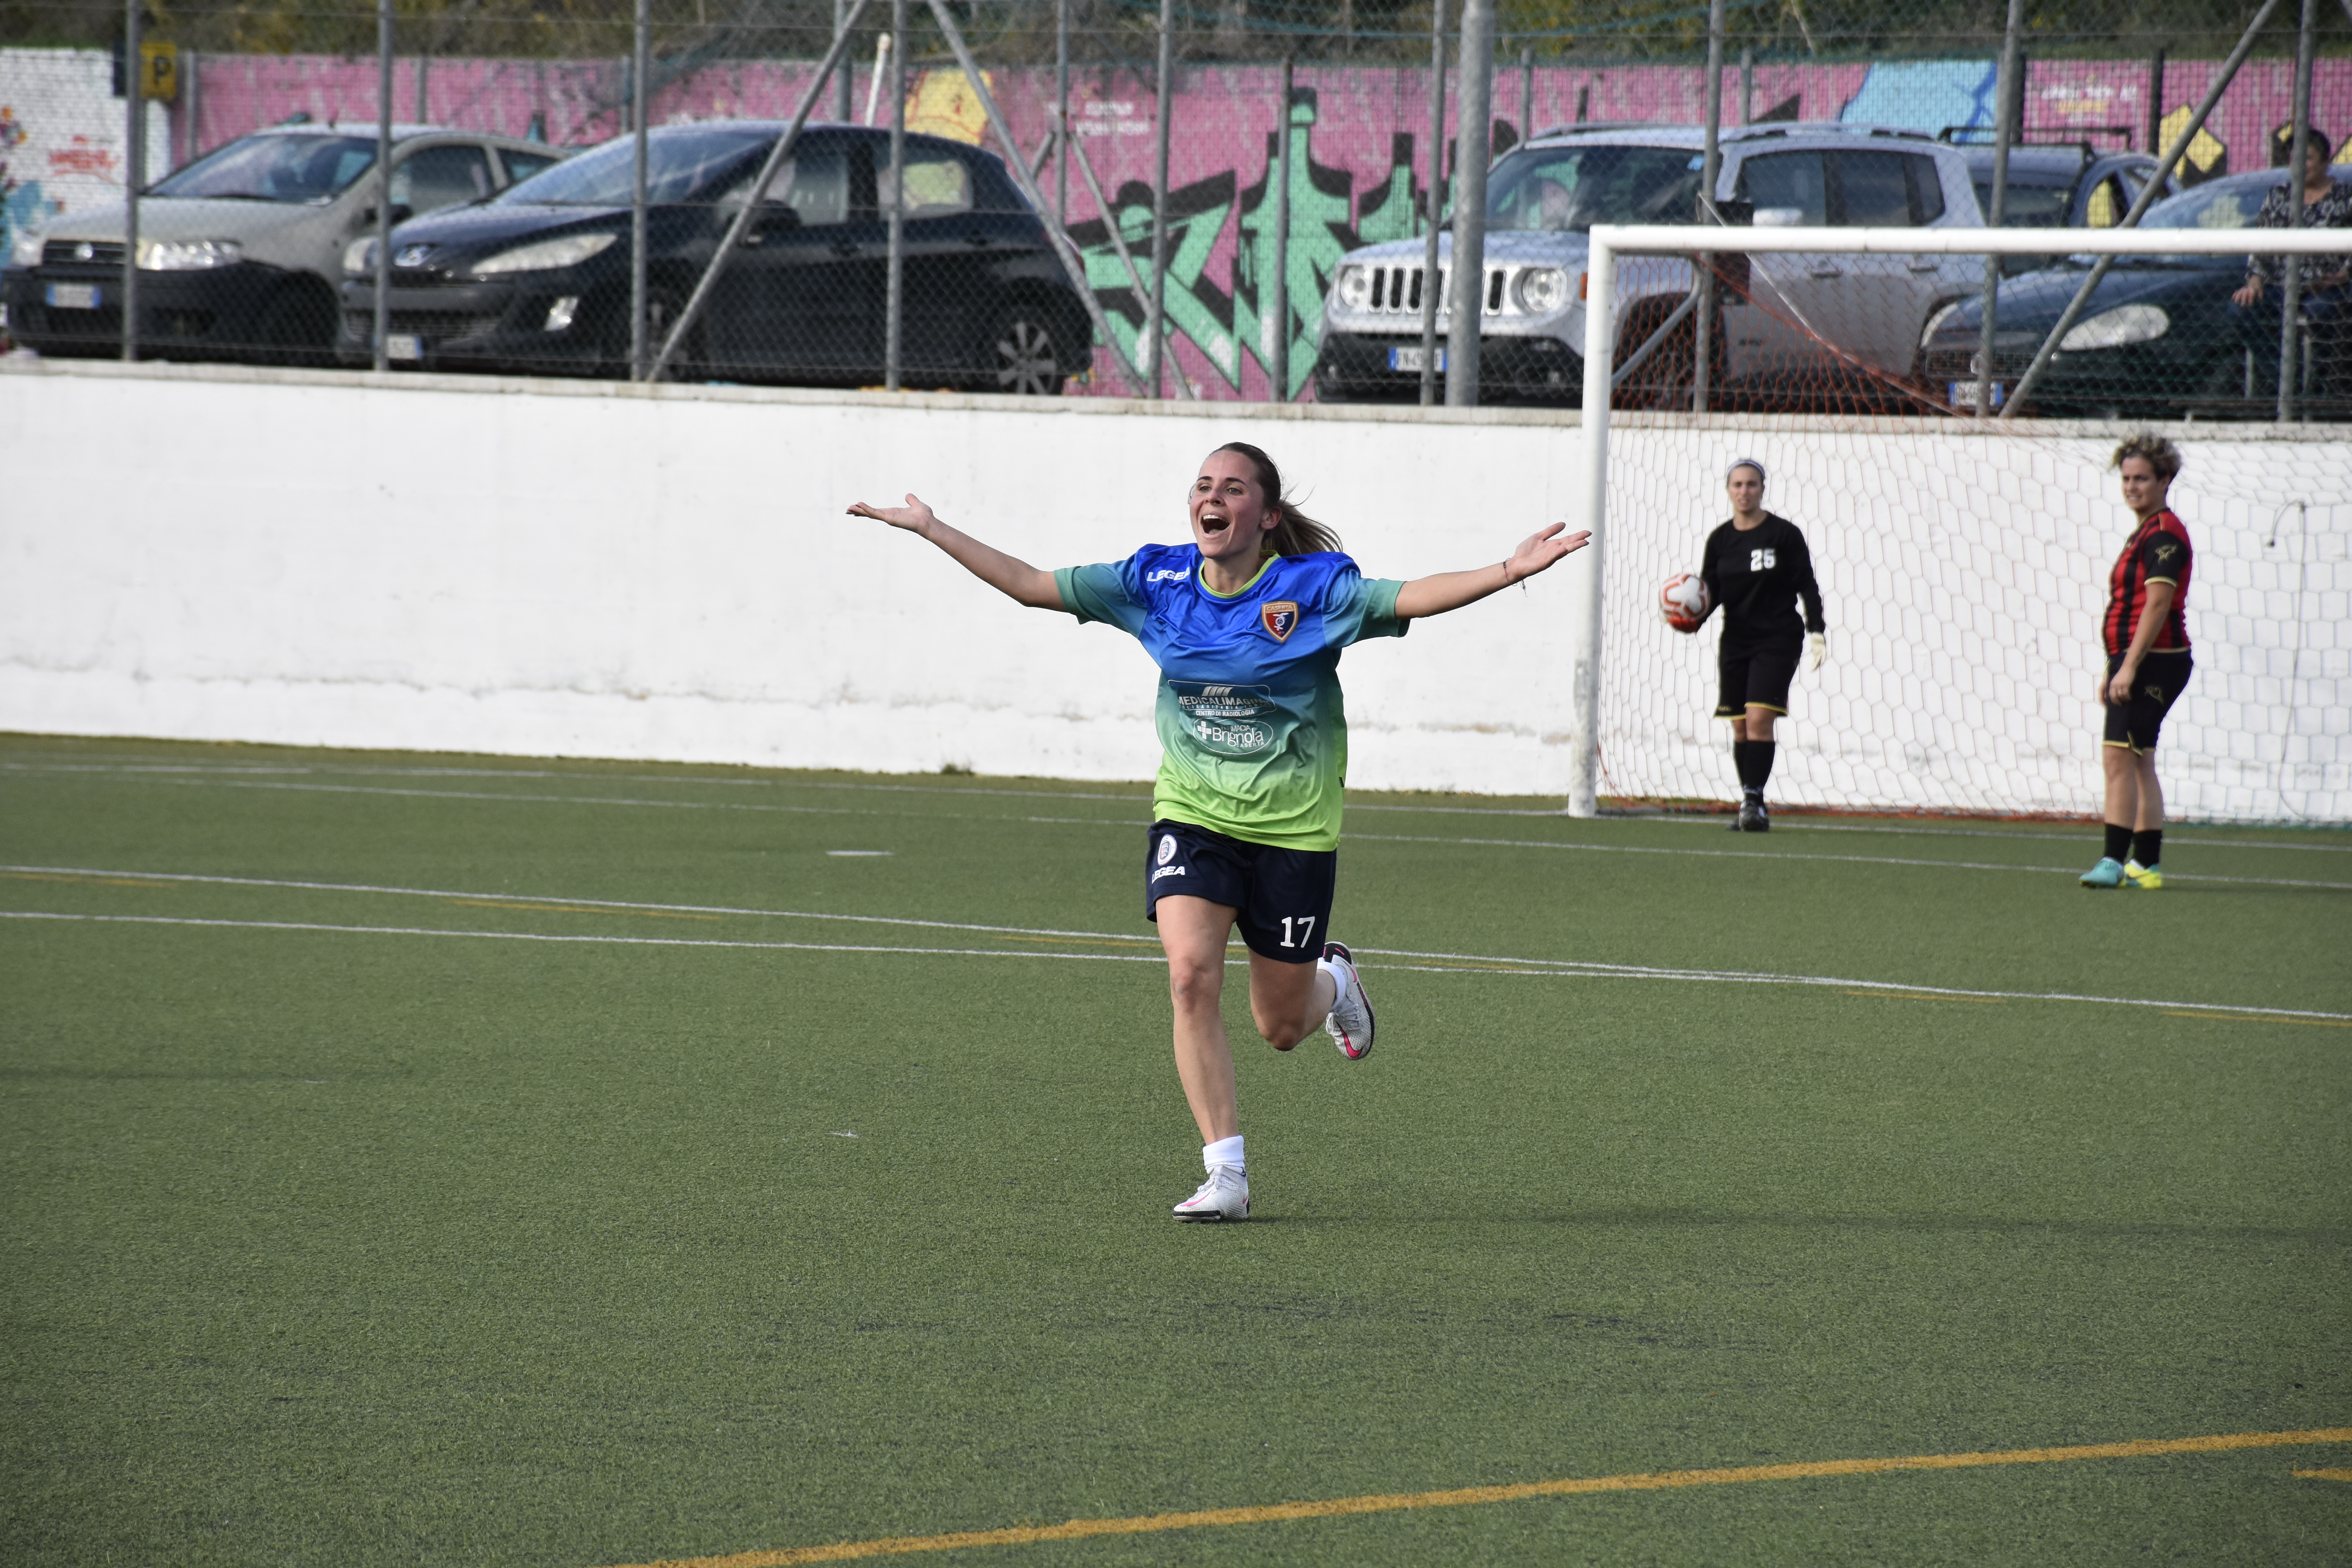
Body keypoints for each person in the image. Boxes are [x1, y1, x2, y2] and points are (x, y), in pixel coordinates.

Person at [848, 444, 1588, 1221]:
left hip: (1293, 830)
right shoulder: (1155, 581)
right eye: (1204, 485)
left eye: (1233, 488)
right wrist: (935, 529)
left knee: (1279, 1025)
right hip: (1194, 817)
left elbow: (1409, 597)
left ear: (1266, 516)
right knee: (1190, 975)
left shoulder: (1313, 590)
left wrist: (1509, 569)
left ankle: (1334, 981)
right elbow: (1034, 585)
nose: (1213, 497)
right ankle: (1225, 1173)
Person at [2082, 435, 2193, 891]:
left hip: (2155, 662)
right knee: (2140, 756)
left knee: (2118, 756)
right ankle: (2145, 864)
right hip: (2140, 660)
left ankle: (2113, 860)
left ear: (2165, 479)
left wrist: (2128, 667)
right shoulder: (2148, 529)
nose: (2132, 486)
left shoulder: (2164, 533)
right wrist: (2116, 665)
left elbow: (2157, 605)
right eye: (2127, 478)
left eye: (2142, 478)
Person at [1692, 459, 1825, 832]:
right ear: (1728, 490)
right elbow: (1710, 592)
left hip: (1778, 636)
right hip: (1736, 639)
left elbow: (1807, 584)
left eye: (1751, 484)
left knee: (1758, 719)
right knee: (1738, 727)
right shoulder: (1720, 540)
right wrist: (1689, 619)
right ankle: (1753, 803)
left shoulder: (1784, 535)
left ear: (1762, 489)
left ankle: (1752, 803)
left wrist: (1817, 629)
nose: (1744, 491)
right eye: (1737, 485)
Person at [2230, 131, 2352, 395]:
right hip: (2282, 286)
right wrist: (2254, 282)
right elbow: (2262, 248)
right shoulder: (2279, 197)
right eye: (2294, 158)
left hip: (2330, 286)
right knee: (2242, 310)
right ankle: (2286, 386)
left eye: (2308, 158)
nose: (2300, 165)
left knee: (2322, 313)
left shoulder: (2346, 197)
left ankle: (2323, 391)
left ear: (2325, 161)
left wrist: (2344, 274)